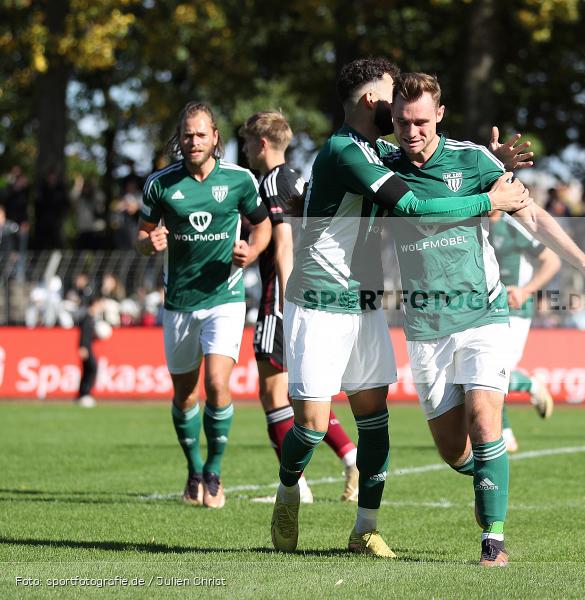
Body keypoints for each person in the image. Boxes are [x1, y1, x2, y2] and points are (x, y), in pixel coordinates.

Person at [269, 58, 532, 559]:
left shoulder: (382, 148)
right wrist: (486, 200)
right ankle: (286, 491)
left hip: (365, 300)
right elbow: (411, 205)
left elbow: (439, 161)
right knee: (313, 425)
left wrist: (484, 163)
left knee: (375, 418)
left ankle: (365, 527)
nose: (400, 104)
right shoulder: (347, 151)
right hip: (320, 299)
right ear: (373, 100)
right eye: (392, 95)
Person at [383, 72, 585, 567]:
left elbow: (533, 217)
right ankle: (487, 473)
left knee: (487, 421)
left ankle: (494, 541)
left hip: (484, 315)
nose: (412, 131)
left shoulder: (474, 160)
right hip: (425, 327)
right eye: (402, 121)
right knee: (452, 451)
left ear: (439, 115)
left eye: (421, 121)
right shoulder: (382, 165)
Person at [136, 101, 273, 509]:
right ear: (179, 140)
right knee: (184, 396)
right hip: (178, 302)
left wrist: (253, 250)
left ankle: (214, 473)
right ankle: (193, 470)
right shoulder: (160, 184)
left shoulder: (239, 181)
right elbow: (141, 235)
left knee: (217, 384)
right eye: (187, 134)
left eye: (201, 134)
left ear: (215, 137)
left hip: (225, 299)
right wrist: (149, 243)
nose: (193, 141)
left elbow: (262, 225)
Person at [240, 110, 360, 504]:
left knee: (274, 394)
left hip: (281, 294)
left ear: (260, 144)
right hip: (308, 290)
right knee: (307, 393)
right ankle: (350, 457)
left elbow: (285, 243)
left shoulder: (273, 182)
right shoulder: (297, 178)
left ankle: (297, 487)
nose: (243, 150)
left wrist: (292, 303)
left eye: (245, 142)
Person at [488, 208, 561, 453]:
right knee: (486, 371)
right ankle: (504, 433)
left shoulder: (512, 226)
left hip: (515, 308)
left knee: (496, 372)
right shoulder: (473, 224)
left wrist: (526, 290)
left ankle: (530, 385)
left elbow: (552, 261)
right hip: (485, 305)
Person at [76, 295, 106, 408]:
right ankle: (85, 394)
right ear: (94, 304)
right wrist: (82, 347)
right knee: (92, 369)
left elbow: (89, 335)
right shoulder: (87, 318)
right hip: (86, 348)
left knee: (89, 370)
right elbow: (83, 334)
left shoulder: (92, 318)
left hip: (88, 347)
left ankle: (83, 395)